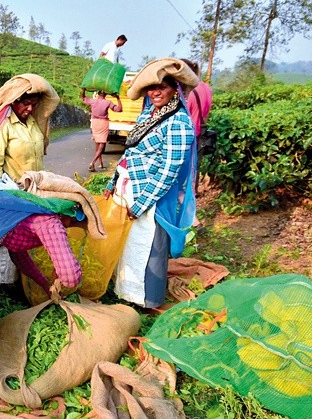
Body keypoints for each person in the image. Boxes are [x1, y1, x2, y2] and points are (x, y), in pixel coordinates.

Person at [103, 58, 198, 309]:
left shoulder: (178, 123)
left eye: (163, 87)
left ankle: (147, 300)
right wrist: (113, 183)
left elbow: (169, 170)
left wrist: (143, 201)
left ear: (175, 88)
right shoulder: (149, 114)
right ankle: (126, 292)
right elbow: (130, 151)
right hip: (130, 189)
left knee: (149, 246)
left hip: (153, 196)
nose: (155, 92)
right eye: (151, 88)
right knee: (129, 244)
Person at [0, 73, 59, 181]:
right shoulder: (5, 125)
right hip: (14, 188)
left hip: (34, 186)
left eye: (34, 105)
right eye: (26, 103)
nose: (30, 109)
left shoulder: (34, 123)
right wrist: (0, 190)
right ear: (14, 101)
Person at [2, 213, 82, 295]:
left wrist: (45, 285)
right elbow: (71, 277)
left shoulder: (31, 215)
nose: (68, 226)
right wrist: (59, 279)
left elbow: (18, 254)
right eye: (74, 221)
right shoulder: (49, 222)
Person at [181, 58, 213, 230]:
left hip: (184, 139)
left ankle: (191, 220)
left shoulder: (186, 90)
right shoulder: (206, 88)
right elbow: (205, 115)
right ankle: (191, 218)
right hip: (198, 137)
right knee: (191, 178)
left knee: (179, 183)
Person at [81, 89, 123, 172]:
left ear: (98, 94)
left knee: (97, 142)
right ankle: (92, 162)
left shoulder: (93, 101)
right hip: (103, 123)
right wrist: (118, 98)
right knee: (102, 144)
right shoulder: (107, 102)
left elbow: (83, 97)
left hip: (94, 122)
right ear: (105, 95)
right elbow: (119, 109)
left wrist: (84, 90)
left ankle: (100, 163)